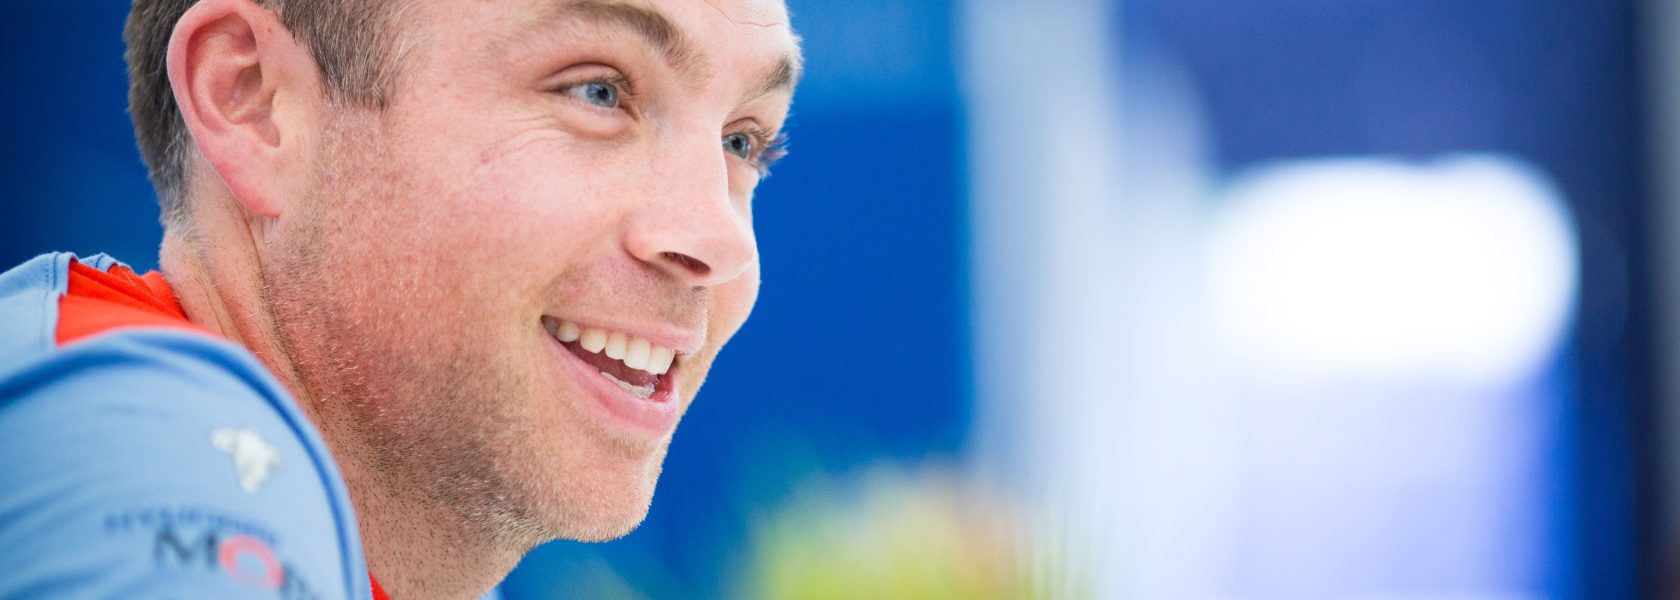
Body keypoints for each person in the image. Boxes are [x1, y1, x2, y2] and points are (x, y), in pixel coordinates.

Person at [0, 0, 800, 597]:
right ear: (253, 102)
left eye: (742, 142)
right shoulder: (146, 459)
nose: (722, 243)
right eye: (598, 92)